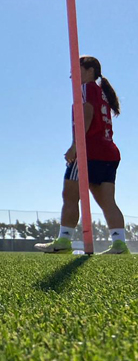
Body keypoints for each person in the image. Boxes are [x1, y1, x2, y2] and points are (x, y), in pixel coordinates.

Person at [35, 56, 129, 255]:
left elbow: (87, 114)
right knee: (108, 202)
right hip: (108, 152)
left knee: (70, 195)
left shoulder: (86, 88)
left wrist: (76, 146)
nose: (71, 76)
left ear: (89, 70)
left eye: (75, 70)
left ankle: (63, 241)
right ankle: (120, 244)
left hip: (89, 151)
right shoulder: (102, 92)